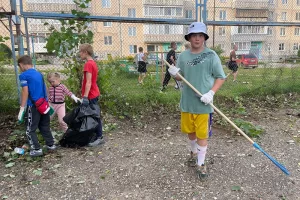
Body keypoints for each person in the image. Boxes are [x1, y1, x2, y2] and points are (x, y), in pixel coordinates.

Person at [168, 22, 226, 180]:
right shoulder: (183, 56)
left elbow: (221, 77)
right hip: (187, 102)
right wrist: (174, 73)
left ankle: (201, 163)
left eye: (200, 35)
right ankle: (193, 153)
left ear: (205, 37)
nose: (197, 38)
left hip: (204, 104)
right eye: (194, 35)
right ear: (189, 38)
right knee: (190, 132)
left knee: (202, 134)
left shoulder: (211, 55)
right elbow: (182, 77)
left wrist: (211, 93)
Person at [17, 55, 56, 157]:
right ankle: (51, 145)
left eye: (19, 66)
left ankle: (36, 149)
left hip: (32, 106)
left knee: (30, 129)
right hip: (43, 105)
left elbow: (25, 92)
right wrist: (47, 103)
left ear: (21, 64)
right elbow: (45, 89)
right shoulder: (39, 74)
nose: (20, 69)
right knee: (44, 126)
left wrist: (22, 108)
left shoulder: (23, 75)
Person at [79, 43, 105, 147]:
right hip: (93, 92)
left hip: (91, 94)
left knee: (95, 116)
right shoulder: (92, 62)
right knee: (92, 115)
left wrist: (85, 96)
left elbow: (88, 82)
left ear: (85, 52)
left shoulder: (88, 64)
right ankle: (95, 135)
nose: (79, 54)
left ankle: (99, 137)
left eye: (80, 52)